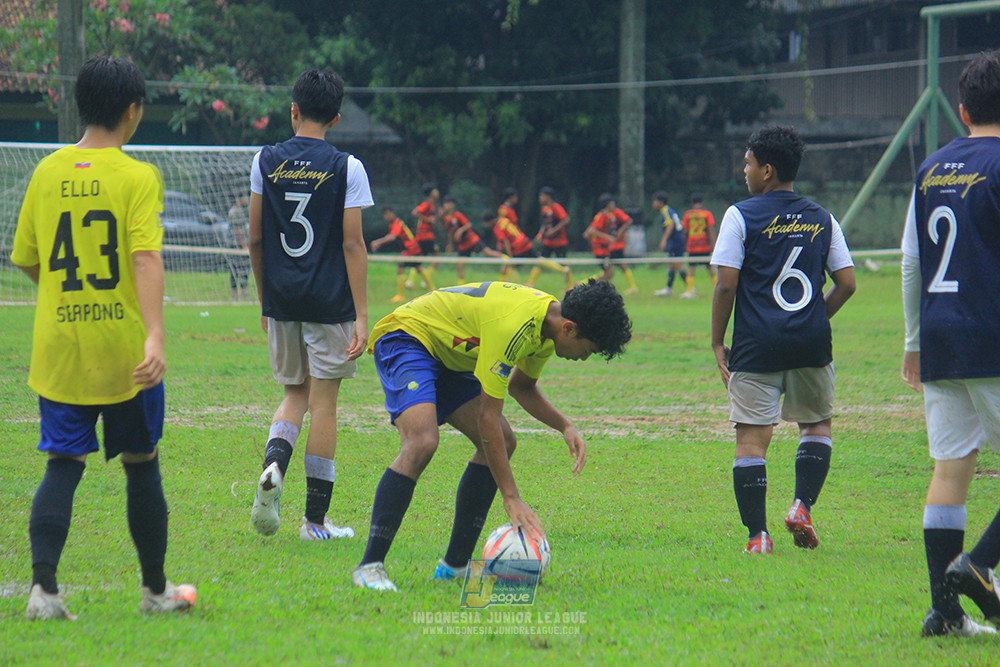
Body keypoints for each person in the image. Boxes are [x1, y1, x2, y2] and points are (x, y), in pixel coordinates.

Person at [11, 55, 196, 620]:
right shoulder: (136, 176)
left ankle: (43, 593)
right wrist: (156, 336)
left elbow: (26, 259)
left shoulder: (45, 172)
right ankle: (156, 592)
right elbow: (145, 258)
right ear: (133, 110)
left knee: (62, 465)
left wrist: (66, 301)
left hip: (62, 347)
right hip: (125, 352)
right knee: (141, 462)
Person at [351, 279, 633, 591]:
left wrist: (564, 425)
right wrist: (511, 497)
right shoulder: (515, 324)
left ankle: (455, 566)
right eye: (588, 350)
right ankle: (370, 567)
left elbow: (520, 387)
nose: (584, 358)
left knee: (504, 440)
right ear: (569, 328)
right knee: (422, 441)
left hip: (449, 356)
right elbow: (488, 416)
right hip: (408, 338)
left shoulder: (546, 326)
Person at [710, 125, 855, 557]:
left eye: (749, 163)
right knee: (816, 424)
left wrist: (718, 342)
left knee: (752, 440)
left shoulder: (740, 215)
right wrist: (814, 317)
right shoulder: (823, 217)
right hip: (812, 344)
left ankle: (758, 537)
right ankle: (802, 506)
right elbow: (846, 283)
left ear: (767, 170)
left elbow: (725, 286)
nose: (745, 170)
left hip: (757, 346)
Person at [248, 69, 373, 542]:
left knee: (293, 395)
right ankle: (314, 523)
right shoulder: (348, 167)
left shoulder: (265, 159)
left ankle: (274, 468)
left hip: (281, 299)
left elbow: (256, 236)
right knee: (324, 407)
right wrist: (362, 315)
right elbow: (353, 245)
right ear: (337, 118)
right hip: (329, 302)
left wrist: (266, 299)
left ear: (293, 109)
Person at [901, 49, 1000, 638]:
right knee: (954, 466)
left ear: (961, 110)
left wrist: (913, 340)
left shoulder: (933, 167)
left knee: (951, 467)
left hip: (940, 332)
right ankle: (981, 564)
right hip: (992, 331)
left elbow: (913, 259)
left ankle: (944, 613)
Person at [490, 209, 572, 289]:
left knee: (509, 264)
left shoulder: (497, 227)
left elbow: (505, 241)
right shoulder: (504, 220)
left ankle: (511, 287)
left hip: (518, 247)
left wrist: (510, 255)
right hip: (524, 241)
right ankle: (562, 269)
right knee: (539, 260)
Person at [371, 205, 435, 301]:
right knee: (419, 268)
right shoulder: (394, 224)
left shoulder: (397, 223)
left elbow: (392, 237)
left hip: (411, 249)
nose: (386, 217)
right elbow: (391, 236)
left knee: (401, 268)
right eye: (384, 215)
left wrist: (377, 242)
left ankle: (401, 296)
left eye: (387, 214)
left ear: (392, 213)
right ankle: (432, 290)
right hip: (412, 248)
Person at [442, 195, 505, 284]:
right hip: (463, 244)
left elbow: (468, 225)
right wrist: (450, 244)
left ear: (453, 205)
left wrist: (460, 230)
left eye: (448, 203)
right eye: (445, 203)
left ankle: (505, 258)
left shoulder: (458, 215)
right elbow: (450, 232)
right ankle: (461, 285)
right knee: (459, 264)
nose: (446, 205)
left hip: (472, 240)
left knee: (488, 252)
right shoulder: (446, 218)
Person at [583, 193, 638, 294]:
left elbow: (628, 221)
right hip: (600, 249)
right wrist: (608, 238)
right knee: (609, 272)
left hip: (606, 248)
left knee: (608, 273)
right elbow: (591, 231)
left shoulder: (612, 214)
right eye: (612, 203)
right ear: (607, 205)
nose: (614, 205)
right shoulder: (601, 216)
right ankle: (583, 284)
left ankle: (586, 284)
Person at [536, 186, 575, 287]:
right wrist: (540, 234)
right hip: (548, 242)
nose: (540, 198)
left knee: (563, 263)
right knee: (541, 261)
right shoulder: (544, 209)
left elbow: (566, 220)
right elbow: (545, 223)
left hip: (560, 241)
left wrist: (554, 230)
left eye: (541, 196)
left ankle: (569, 286)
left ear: (548, 197)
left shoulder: (556, 207)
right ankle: (531, 282)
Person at [681, 193, 717, 298]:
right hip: (704, 245)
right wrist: (714, 244)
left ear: (692, 203)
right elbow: (710, 229)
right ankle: (716, 289)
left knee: (691, 268)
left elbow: (685, 230)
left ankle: (690, 291)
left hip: (692, 246)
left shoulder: (688, 215)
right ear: (702, 202)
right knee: (710, 268)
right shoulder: (707, 214)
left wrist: (686, 242)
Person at [653, 191, 687, 296]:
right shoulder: (669, 210)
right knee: (672, 264)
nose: (653, 203)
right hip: (677, 240)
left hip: (675, 241)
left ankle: (691, 288)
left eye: (655, 201)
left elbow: (670, 225)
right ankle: (668, 288)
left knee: (678, 265)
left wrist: (664, 240)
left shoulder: (665, 211)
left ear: (661, 202)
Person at [409, 183, 440, 286]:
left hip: (423, 234)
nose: (437, 192)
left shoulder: (432, 205)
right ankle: (426, 281)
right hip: (426, 235)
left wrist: (437, 216)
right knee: (436, 257)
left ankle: (411, 281)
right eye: (435, 190)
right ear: (431, 193)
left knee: (419, 258)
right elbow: (415, 212)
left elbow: (432, 220)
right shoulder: (427, 204)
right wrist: (428, 220)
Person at [227, 193, 251, 299]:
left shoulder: (239, 211)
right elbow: (238, 230)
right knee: (239, 269)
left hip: (236, 245)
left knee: (240, 269)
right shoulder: (235, 212)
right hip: (236, 246)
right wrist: (243, 245)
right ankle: (237, 294)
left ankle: (241, 294)